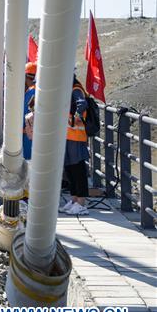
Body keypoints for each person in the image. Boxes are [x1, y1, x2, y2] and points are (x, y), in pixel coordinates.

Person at [61, 76, 91, 215]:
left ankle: (81, 203)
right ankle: (74, 199)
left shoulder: (75, 89)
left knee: (78, 168)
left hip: (76, 136)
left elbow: (82, 104)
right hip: (68, 136)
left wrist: (75, 117)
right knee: (70, 168)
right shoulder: (69, 89)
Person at [22, 62, 37, 160]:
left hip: (28, 134)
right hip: (34, 133)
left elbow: (25, 112)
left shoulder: (31, 93)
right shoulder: (37, 90)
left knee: (28, 161)